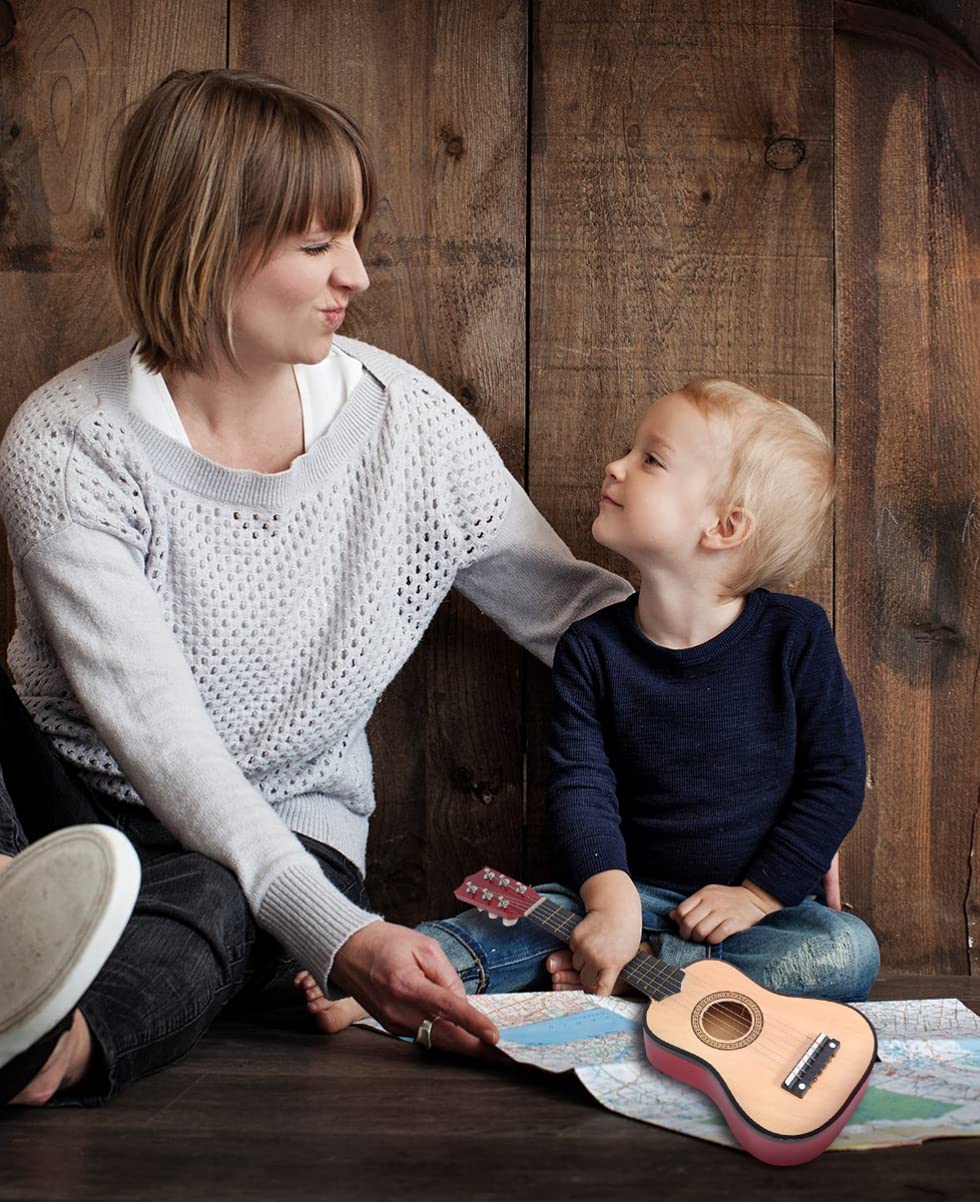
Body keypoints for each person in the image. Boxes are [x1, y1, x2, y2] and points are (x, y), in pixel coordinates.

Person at [0, 67, 634, 1107]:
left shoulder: (407, 426)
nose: (357, 274)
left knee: (222, 897)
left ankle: (50, 1047)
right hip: (59, 805)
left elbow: (576, 616)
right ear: (206, 244)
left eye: (353, 237)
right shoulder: (67, 447)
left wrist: (771, 747)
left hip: (281, 833)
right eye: (315, 244)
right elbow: (166, 747)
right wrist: (345, 943)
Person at [295, 377, 879, 1037]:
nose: (617, 465)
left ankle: (644, 971)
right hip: (627, 892)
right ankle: (392, 979)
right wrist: (610, 902)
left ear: (724, 527)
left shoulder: (795, 638)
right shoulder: (593, 649)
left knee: (846, 951)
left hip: (755, 916)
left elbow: (835, 777)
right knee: (516, 918)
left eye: (650, 459)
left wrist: (759, 895)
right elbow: (582, 787)